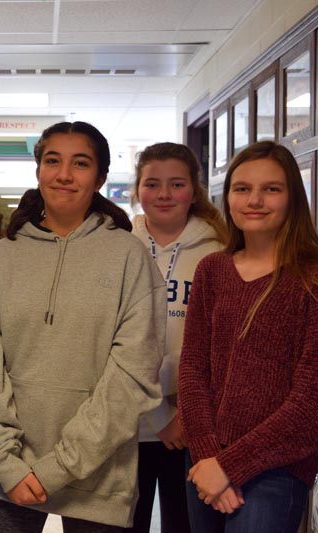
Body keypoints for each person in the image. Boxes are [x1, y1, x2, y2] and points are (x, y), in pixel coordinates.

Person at [0, 121, 166, 532]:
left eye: (81, 163)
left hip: (100, 475)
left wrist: (58, 467)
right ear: (38, 171)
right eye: (53, 161)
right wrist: (5, 462)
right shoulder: (1, 258)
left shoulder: (130, 258)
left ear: (101, 178)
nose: (64, 174)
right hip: (8, 472)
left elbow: (132, 376)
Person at [178, 141, 318, 532]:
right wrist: (209, 456)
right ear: (227, 197)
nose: (254, 200)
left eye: (271, 189)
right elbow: (193, 369)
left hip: (275, 469)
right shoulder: (213, 269)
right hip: (206, 460)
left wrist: (230, 466)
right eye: (242, 188)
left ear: (293, 197)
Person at [129, 142, 227, 533]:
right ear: (138, 190)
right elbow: (107, 343)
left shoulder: (220, 252)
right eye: (153, 184)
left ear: (194, 190)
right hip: (130, 424)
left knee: (183, 525)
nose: (165, 194)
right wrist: (157, 416)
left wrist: (186, 415)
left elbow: (222, 346)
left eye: (177, 184)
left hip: (194, 427)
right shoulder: (120, 248)